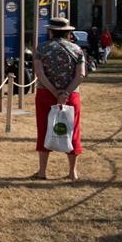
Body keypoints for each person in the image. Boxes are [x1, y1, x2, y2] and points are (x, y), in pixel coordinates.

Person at [33, 17, 85, 181]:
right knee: (72, 130)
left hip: (45, 94)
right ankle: (72, 172)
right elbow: (81, 74)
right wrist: (65, 94)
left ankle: (42, 171)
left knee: (44, 129)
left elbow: (40, 74)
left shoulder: (41, 48)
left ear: (50, 31)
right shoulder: (77, 49)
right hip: (71, 95)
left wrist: (56, 93)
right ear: (68, 32)